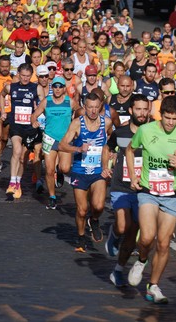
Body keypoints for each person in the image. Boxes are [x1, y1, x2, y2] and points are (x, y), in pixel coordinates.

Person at [125, 95, 176, 303]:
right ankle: (142, 259)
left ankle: (153, 286)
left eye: (174, 119)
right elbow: (130, 150)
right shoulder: (146, 131)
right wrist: (133, 175)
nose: (170, 123)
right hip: (148, 190)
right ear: (160, 114)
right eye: (167, 118)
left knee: (164, 244)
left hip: (171, 194)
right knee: (147, 237)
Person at [102, 94, 150, 287]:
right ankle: (114, 235)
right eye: (138, 109)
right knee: (123, 226)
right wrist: (105, 166)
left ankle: (118, 270)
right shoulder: (120, 132)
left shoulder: (152, 132)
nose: (142, 113)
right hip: (121, 187)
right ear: (131, 110)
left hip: (143, 190)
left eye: (145, 109)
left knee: (132, 234)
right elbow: (108, 148)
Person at [59, 92, 113, 252]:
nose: (93, 111)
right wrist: (77, 148)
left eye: (97, 107)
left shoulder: (107, 122)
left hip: (98, 170)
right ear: (84, 107)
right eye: (90, 107)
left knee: (98, 205)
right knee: (82, 210)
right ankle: (81, 237)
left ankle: (94, 220)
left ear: (101, 107)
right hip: (80, 169)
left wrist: (108, 158)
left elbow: (108, 142)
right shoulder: (77, 124)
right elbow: (62, 145)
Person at [31, 76, 80, 209]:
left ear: (64, 89)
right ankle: (52, 197)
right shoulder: (46, 101)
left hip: (65, 140)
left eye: (60, 86)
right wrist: (33, 121)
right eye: (55, 86)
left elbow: (80, 112)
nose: (57, 89)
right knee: (49, 170)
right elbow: (34, 114)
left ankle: (60, 171)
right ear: (52, 88)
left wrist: (76, 126)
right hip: (49, 138)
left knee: (65, 168)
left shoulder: (69, 101)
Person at [0, 63, 42, 199]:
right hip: (16, 125)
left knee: (23, 158)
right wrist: (2, 111)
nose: (24, 79)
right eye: (22, 75)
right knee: (16, 151)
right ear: (18, 74)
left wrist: (37, 117)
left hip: (29, 127)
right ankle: (11, 182)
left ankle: (18, 183)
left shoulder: (37, 88)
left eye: (28, 76)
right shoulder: (11, 87)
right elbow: (1, 95)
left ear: (31, 75)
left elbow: (44, 104)